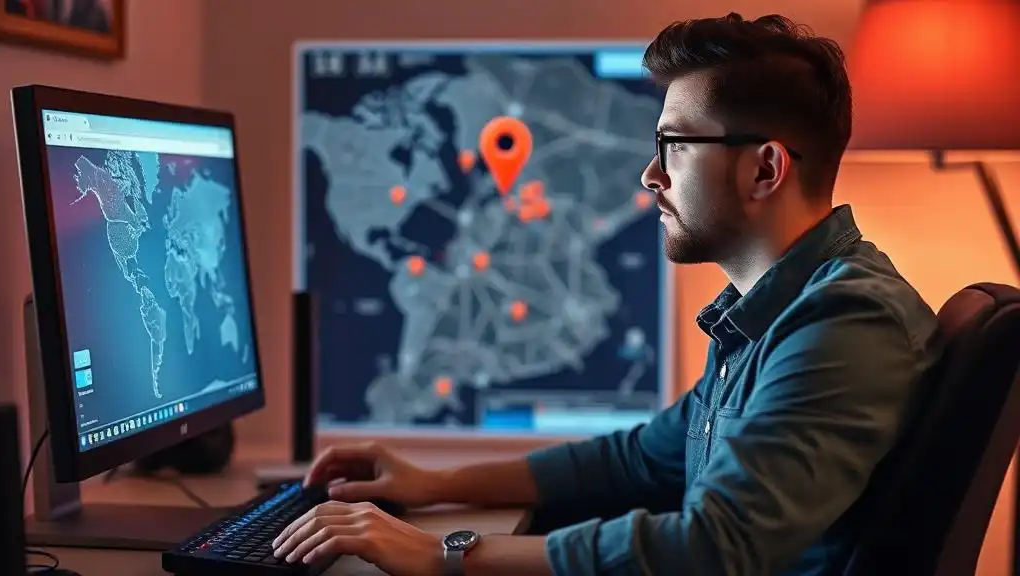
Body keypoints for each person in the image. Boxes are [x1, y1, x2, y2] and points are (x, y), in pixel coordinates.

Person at [271, 13, 942, 576]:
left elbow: (714, 547)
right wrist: (433, 484)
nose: (650, 175)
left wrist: (446, 554)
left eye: (674, 146)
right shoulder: (771, 315)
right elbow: (640, 458)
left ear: (764, 167)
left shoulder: (845, 324)